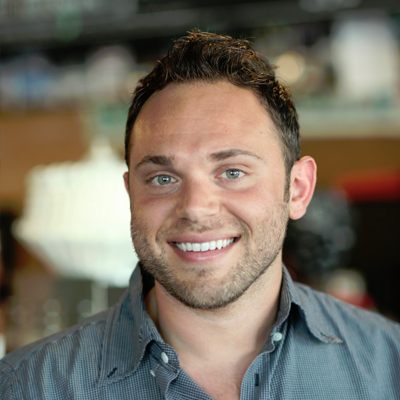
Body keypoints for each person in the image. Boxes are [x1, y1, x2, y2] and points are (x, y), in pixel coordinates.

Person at [1, 30, 399, 400]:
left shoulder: (389, 367)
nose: (195, 207)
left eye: (232, 172)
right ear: (131, 194)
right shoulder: (29, 387)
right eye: (162, 179)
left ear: (297, 189)